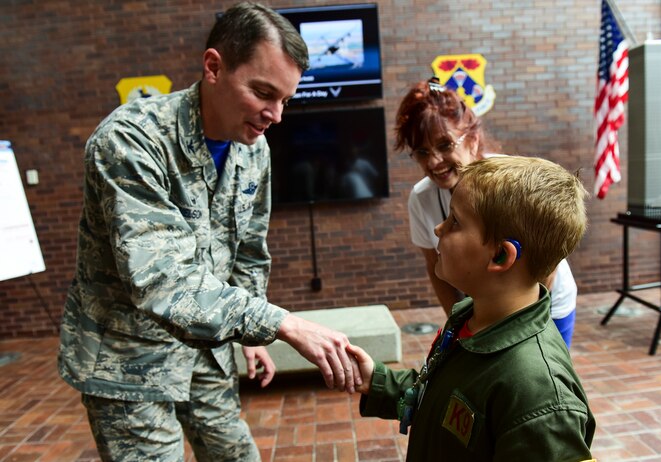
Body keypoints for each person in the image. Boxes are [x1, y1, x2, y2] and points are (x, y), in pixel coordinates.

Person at [57, 3, 360, 461]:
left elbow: (249, 254)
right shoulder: (130, 141)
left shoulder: (253, 149)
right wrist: (281, 324)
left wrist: (248, 336)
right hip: (128, 359)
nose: (275, 115)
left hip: (205, 352)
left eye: (285, 100)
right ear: (214, 67)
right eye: (262, 92)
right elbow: (163, 280)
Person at [348, 155, 596, 460]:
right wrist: (376, 381)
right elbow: (446, 397)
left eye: (455, 221)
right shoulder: (470, 317)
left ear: (501, 257)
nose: (439, 229)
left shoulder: (540, 396)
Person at [398, 78, 579, 347]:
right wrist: (460, 325)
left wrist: (520, 326)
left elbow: (546, 262)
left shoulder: (513, 181)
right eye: (422, 152)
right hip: (485, 309)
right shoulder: (422, 197)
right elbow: (433, 266)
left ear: (472, 138)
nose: (433, 161)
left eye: (445, 145)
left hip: (545, 305)